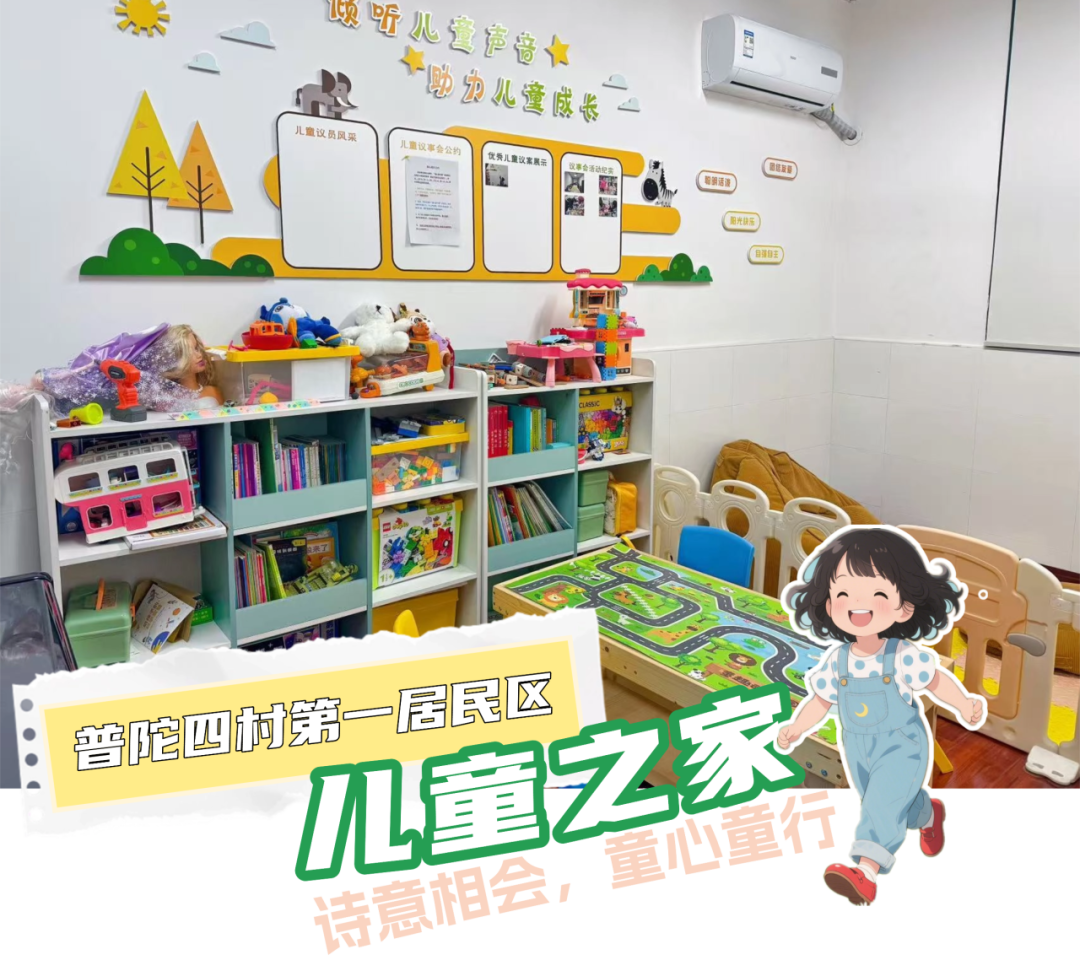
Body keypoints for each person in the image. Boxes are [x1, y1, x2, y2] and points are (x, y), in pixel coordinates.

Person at [775, 526, 985, 910]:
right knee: (889, 801)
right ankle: (927, 813)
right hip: (858, 750)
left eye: (877, 594)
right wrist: (796, 727)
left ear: (904, 605)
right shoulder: (837, 661)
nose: (858, 605)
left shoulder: (901, 655)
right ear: (828, 604)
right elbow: (820, 701)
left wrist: (963, 702)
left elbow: (936, 680)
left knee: (880, 808)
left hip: (902, 745)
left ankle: (865, 871)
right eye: (843, 594)